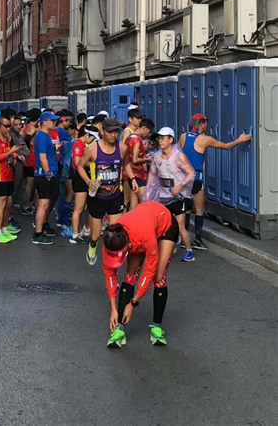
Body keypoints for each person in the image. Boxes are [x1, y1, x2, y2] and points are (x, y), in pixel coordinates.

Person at [103, 200, 178, 348]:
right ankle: (120, 329)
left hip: (165, 225)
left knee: (159, 277)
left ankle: (157, 327)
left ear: (128, 247)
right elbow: (109, 272)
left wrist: (133, 302)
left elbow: (149, 272)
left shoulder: (145, 238)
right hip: (142, 225)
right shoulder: (112, 239)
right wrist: (113, 308)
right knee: (130, 275)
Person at [179, 113, 252, 251]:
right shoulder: (205, 139)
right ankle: (198, 240)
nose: (207, 125)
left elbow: (178, 153)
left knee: (186, 210)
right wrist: (240, 139)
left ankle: (184, 240)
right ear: (202, 124)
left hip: (183, 179)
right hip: (196, 178)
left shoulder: (183, 136)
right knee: (199, 210)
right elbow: (226, 146)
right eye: (206, 122)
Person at [76, 117, 137, 266]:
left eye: (116, 131)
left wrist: (133, 178)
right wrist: (88, 182)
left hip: (115, 196)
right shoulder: (92, 149)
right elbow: (79, 166)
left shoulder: (122, 148)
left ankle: (110, 258)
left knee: (114, 232)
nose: (113, 135)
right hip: (97, 197)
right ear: (102, 131)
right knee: (96, 235)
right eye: (110, 132)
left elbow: (126, 164)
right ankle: (92, 245)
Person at [143, 127, 196, 262]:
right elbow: (152, 177)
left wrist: (180, 186)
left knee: (180, 225)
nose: (160, 141)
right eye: (159, 138)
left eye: (163, 138)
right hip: (163, 196)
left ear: (170, 139)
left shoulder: (178, 156)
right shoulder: (157, 157)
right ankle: (166, 246)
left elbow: (191, 173)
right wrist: (148, 197)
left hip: (179, 197)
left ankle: (189, 251)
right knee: (162, 225)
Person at [0, 113, 24, 243]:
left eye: (10, 126)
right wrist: (10, 152)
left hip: (9, 173)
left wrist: (16, 155)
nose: (8, 129)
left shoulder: (7, 137)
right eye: (6, 126)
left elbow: (8, 151)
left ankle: (4, 228)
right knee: (0, 203)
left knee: (8, 203)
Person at [32, 111, 61, 245]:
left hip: (47, 173)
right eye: (52, 120)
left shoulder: (44, 136)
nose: (55, 122)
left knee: (46, 203)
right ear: (44, 122)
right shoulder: (42, 137)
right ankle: (38, 233)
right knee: (43, 204)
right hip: (45, 175)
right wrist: (48, 172)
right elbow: (42, 157)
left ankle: (42, 228)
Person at [69, 125, 99, 244]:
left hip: (83, 177)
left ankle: (79, 231)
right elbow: (77, 163)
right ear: (86, 135)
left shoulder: (82, 144)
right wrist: (91, 162)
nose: (92, 141)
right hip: (80, 178)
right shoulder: (78, 144)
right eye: (92, 138)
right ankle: (74, 235)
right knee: (79, 208)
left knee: (82, 208)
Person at [126, 118, 155, 209]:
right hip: (137, 175)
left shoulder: (129, 137)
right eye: (148, 131)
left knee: (134, 205)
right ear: (144, 128)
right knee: (147, 202)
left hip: (130, 175)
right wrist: (148, 159)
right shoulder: (137, 140)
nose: (148, 134)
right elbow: (134, 160)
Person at [21, 108, 40, 216]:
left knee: (29, 183)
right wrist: (29, 148)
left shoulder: (27, 126)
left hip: (29, 157)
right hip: (31, 158)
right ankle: (26, 205)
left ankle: (28, 203)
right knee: (30, 183)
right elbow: (26, 139)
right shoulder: (32, 128)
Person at [10, 115, 30, 213]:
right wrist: (17, 156)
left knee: (19, 184)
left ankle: (16, 205)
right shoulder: (10, 136)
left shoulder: (20, 136)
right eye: (16, 125)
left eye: (20, 124)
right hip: (14, 163)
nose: (18, 126)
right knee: (14, 187)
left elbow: (26, 150)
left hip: (21, 163)